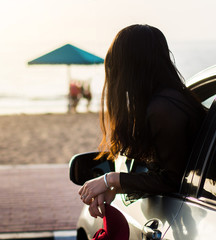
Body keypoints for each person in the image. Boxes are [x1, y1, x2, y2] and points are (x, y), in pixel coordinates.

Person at [78, 24, 207, 218]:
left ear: (129, 67)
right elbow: (171, 169)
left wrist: (110, 179)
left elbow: (171, 179)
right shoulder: (173, 100)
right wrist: (116, 188)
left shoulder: (164, 108)